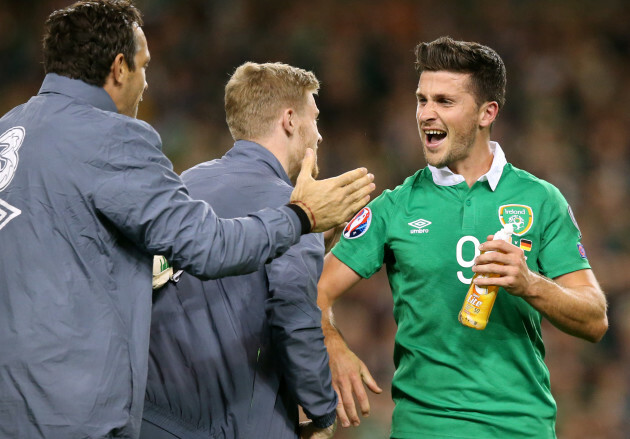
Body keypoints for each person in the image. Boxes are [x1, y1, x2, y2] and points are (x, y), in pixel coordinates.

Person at [0, 1, 375, 438]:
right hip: (72, 410)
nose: (146, 83)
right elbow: (209, 247)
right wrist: (302, 216)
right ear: (119, 68)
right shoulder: (111, 138)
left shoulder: (10, 131)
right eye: (143, 66)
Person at [317, 36, 608, 439]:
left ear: (487, 112)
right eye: (422, 100)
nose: (426, 114)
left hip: (520, 426)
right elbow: (315, 292)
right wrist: (333, 346)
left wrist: (530, 284)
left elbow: (595, 319)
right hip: (425, 428)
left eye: (444, 102)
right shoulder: (394, 207)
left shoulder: (541, 200)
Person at [141, 62, 338, 439]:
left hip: (150, 420)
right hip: (232, 425)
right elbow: (294, 320)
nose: (320, 135)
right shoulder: (297, 209)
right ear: (290, 120)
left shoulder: (183, 184)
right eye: (315, 118)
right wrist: (323, 413)